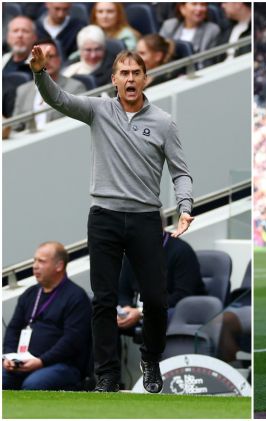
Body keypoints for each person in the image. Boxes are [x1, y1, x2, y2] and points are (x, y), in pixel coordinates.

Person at [30, 45, 194, 393]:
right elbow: (58, 99)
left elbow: (180, 172)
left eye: (136, 73)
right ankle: (106, 374)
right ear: (114, 79)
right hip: (103, 216)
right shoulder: (98, 110)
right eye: (124, 73)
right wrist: (40, 73)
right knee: (102, 299)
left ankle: (150, 358)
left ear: (145, 78)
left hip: (146, 218)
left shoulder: (164, 121)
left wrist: (185, 205)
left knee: (155, 298)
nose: (130, 78)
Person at [3, 242, 92, 391]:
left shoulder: (76, 297)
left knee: (33, 384)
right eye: (34, 261)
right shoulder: (30, 294)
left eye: (42, 261)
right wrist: (9, 357)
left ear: (59, 266)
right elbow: (13, 329)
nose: (35, 266)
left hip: (61, 365)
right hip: (23, 362)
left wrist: (41, 361)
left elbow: (72, 341)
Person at [118, 231, 206, 335]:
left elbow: (182, 297)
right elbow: (122, 290)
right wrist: (125, 308)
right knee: (102, 313)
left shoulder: (181, 251)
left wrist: (142, 312)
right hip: (141, 311)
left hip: (175, 312)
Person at [8, 38, 86, 134]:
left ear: (59, 59)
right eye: (39, 58)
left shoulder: (75, 87)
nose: (45, 61)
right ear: (31, 63)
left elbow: (79, 124)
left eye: (50, 56)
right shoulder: (23, 90)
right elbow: (15, 127)